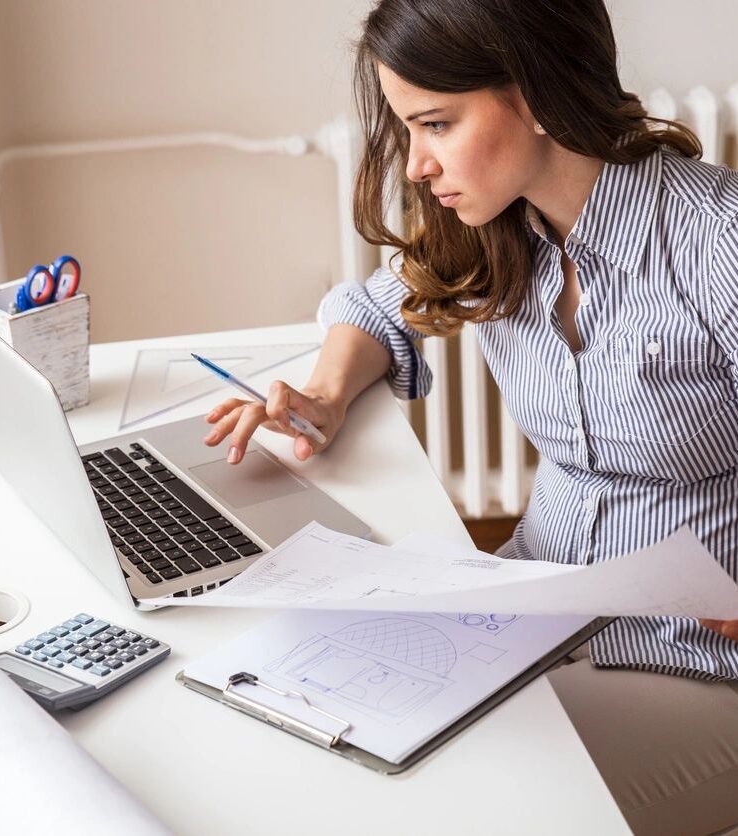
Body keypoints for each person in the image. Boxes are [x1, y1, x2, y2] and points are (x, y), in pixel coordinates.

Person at [202, 2, 738, 832]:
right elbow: (377, 308)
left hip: (701, 665)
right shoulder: (500, 232)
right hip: (539, 610)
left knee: (457, 810)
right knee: (307, 743)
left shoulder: (717, 244)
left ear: (535, 94)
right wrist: (326, 393)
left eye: (436, 124)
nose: (416, 165)